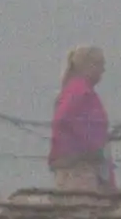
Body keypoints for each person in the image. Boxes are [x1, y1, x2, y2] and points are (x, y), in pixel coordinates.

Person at [49, 46, 116, 192]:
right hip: (78, 166)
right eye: (100, 65)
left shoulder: (77, 90)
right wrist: (90, 142)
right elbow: (63, 118)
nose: (103, 70)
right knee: (82, 202)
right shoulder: (80, 91)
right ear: (88, 66)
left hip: (83, 162)